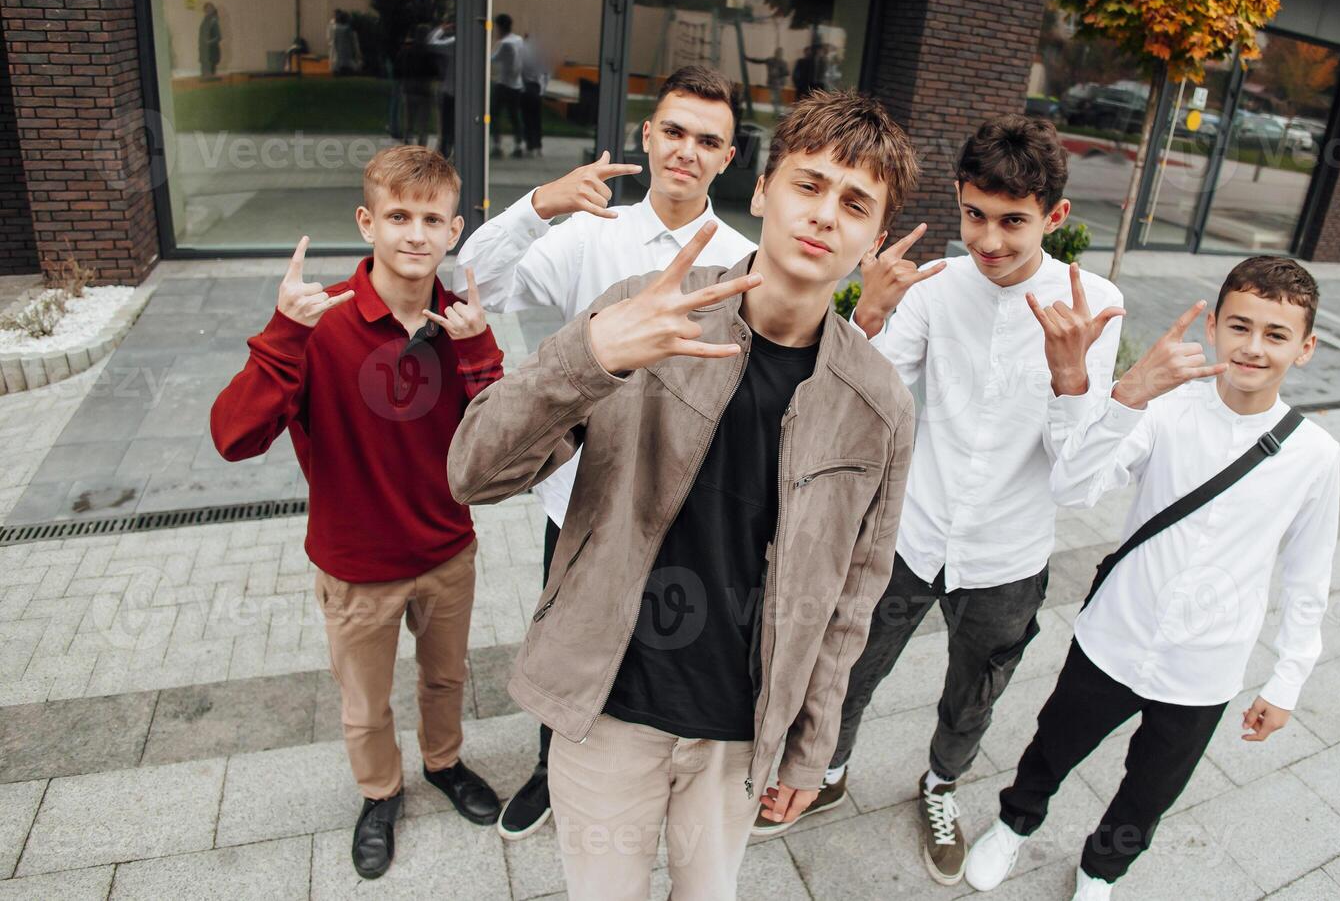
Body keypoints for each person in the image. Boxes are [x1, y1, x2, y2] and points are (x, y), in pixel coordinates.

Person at [447, 90, 920, 900]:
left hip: (740, 734)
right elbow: (473, 472)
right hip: (609, 710)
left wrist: (811, 748)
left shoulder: (878, 403)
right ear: (763, 192)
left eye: (854, 202)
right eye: (808, 185)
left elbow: (853, 597)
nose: (824, 216)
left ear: (874, 239)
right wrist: (590, 356)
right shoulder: (643, 308)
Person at [753, 114, 1125, 887]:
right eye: (975, 215)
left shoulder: (1092, 307)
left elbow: (1074, 478)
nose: (989, 240)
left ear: (1055, 218)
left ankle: (940, 785)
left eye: (1013, 221)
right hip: (911, 536)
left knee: (973, 695)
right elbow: (866, 401)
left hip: (1008, 554)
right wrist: (872, 315)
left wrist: (1070, 379)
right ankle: (828, 768)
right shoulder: (935, 286)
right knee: (852, 669)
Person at [965, 256, 1340, 900]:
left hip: (1206, 666)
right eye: (1240, 326)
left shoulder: (1315, 455)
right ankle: (1013, 824)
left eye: (1276, 335)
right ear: (1214, 326)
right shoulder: (1165, 409)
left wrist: (1287, 680)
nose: (1254, 347)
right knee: (1052, 748)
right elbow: (1074, 486)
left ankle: (1099, 872)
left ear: (1304, 348)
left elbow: (1309, 578)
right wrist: (1128, 395)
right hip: (1115, 635)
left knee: (1150, 791)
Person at [451, 63, 756, 842]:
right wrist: (537, 206)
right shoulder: (594, 232)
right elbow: (472, 282)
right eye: (675, 132)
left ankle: (657, 778)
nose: (687, 150)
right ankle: (551, 771)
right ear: (649, 137)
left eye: (708, 141)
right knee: (569, 638)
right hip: (582, 492)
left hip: (686, 497)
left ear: (728, 158)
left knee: (669, 639)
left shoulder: (747, 261)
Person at [209, 146, 507, 880]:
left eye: (431, 219)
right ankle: (379, 792)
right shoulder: (319, 328)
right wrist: (282, 335)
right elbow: (232, 438)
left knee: (446, 680)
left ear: (454, 231)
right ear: (367, 222)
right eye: (398, 216)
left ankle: (443, 761)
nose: (415, 234)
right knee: (365, 704)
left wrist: (479, 351)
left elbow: (505, 443)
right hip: (358, 568)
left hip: (447, 553)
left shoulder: (460, 326)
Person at [490, 13, 525, 158]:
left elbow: (491, 59)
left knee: (495, 115)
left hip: (503, 84)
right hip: (516, 85)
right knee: (515, 116)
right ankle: (518, 145)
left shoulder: (504, 44)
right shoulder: (518, 40)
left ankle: (497, 146)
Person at [428, 21, 457, 160]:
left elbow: (431, 43)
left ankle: (444, 153)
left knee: (447, 126)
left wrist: (441, 29)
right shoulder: (477, 45)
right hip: (466, 95)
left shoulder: (453, 43)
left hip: (451, 91)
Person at [520, 32, 548, 157]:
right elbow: (544, 74)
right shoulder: (538, 53)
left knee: (527, 119)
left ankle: (530, 146)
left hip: (526, 87)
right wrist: (542, 90)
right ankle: (538, 146)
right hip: (536, 88)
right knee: (536, 119)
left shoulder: (522, 52)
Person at [749, 47, 790, 116]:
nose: (779, 54)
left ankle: (779, 113)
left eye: (780, 52)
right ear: (775, 53)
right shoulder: (770, 60)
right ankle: (777, 113)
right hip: (771, 83)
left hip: (778, 84)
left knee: (776, 99)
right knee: (774, 99)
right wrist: (749, 59)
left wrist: (778, 73)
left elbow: (786, 73)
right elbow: (759, 61)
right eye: (777, 52)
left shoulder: (783, 63)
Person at [329, 9, 360, 75]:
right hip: (347, 52)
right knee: (349, 64)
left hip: (339, 53)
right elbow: (353, 42)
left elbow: (335, 41)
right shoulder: (348, 29)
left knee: (340, 63)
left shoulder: (336, 29)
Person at [198, 2, 221, 79]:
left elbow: (218, 37)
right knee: (205, 74)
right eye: (207, 9)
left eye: (210, 8)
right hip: (204, 51)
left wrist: (208, 42)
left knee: (210, 74)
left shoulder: (213, 21)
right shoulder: (205, 21)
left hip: (211, 51)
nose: (208, 10)